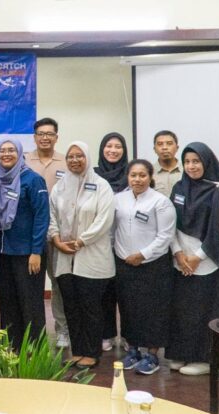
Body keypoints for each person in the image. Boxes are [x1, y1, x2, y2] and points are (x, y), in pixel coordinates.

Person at [167, 142, 219, 376]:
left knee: (205, 312)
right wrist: (178, 253)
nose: (191, 166)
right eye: (187, 162)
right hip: (181, 261)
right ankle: (182, 353)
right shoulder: (179, 187)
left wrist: (197, 257)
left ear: (206, 162)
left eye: (196, 161)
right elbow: (170, 225)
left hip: (209, 262)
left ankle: (205, 359)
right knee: (183, 312)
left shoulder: (218, 189)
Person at [48, 141, 116, 368]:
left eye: (79, 156)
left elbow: (104, 220)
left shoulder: (102, 186)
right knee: (71, 307)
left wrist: (81, 241)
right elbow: (51, 216)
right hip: (64, 257)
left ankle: (92, 352)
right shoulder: (60, 186)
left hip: (92, 257)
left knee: (91, 308)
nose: (75, 160)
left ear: (87, 158)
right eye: (70, 156)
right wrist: (56, 240)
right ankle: (77, 351)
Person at [113, 160, 176, 375]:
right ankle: (133, 350)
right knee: (128, 308)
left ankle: (152, 355)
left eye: (142, 175)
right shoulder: (119, 199)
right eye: (133, 175)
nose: (137, 179)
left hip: (152, 265)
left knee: (153, 311)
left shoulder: (161, 202)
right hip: (124, 263)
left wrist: (142, 255)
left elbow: (165, 236)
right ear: (127, 177)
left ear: (150, 177)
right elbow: (113, 230)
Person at [0, 139, 49, 350]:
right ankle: (12, 348)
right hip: (3, 253)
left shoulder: (33, 180)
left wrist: (36, 251)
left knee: (30, 304)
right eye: (2, 150)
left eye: (11, 150)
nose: (6, 154)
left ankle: (35, 351)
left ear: (20, 153)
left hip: (27, 254)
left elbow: (42, 217)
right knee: (8, 303)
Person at [23, 117, 70, 349]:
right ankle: (32, 332)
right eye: (41, 134)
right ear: (34, 137)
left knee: (59, 283)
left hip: (58, 234)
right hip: (31, 234)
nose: (45, 138)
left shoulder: (66, 162)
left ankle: (62, 329)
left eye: (49, 134)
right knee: (32, 285)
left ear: (56, 137)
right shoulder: (24, 160)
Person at [93, 132, 129, 352]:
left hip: (127, 244)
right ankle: (106, 333)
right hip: (100, 243)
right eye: (109, 146)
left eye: (118, 147)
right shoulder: (93, 175)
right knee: (104, 292)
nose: (113, 150)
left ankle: (128, 335)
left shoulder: (132, 173)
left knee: (127, 293)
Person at [152, 130, 182, 197]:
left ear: (177, 148)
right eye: (160, 144)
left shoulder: (187, 171)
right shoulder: (149, 173)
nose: (164, 147)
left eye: (169, 143)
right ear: (154, 149)